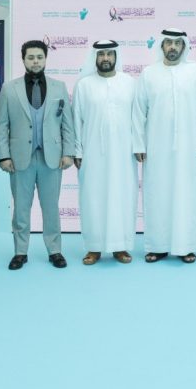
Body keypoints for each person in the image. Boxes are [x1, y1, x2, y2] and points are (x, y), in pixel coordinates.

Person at [132, 28, 196, 264]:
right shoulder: (149, 74)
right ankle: (158, 246)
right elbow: (139, 111)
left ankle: (186, 246)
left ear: (183, 46)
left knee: (187, 195)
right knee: (158, 194)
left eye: (177, 43)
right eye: (168, 43)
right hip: (156, 147)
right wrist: (139, 144)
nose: (173, 47)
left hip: (188, 147)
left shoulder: (195, 72)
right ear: (162, 46)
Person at [0, 40, 75, 270]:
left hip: (52, 157)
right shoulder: (9, 89)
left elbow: (67, 124)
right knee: (21, 209)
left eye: (39, 57)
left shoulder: (59, 87)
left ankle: (55, 250)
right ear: (23, 59)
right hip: (20, 158)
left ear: (45, 59)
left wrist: (68, 152)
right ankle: (20, 252)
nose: (35, 61)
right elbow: (1, 125)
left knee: (51, 208)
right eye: (30, 57)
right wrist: (3, 156)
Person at [72, 40, 138, 265]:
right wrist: (78, 151)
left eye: (110, 54)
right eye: (101, 55)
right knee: (93, 198)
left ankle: (120, 246)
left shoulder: (129, 83)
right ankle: (94, 247)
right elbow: (77, 120)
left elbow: (138, 119)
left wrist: (139, 146)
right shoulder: (84, 85)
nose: (106, 58)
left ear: (116, 56)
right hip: (92, 153)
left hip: (124, 153)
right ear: (95, 58)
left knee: (122, 196)